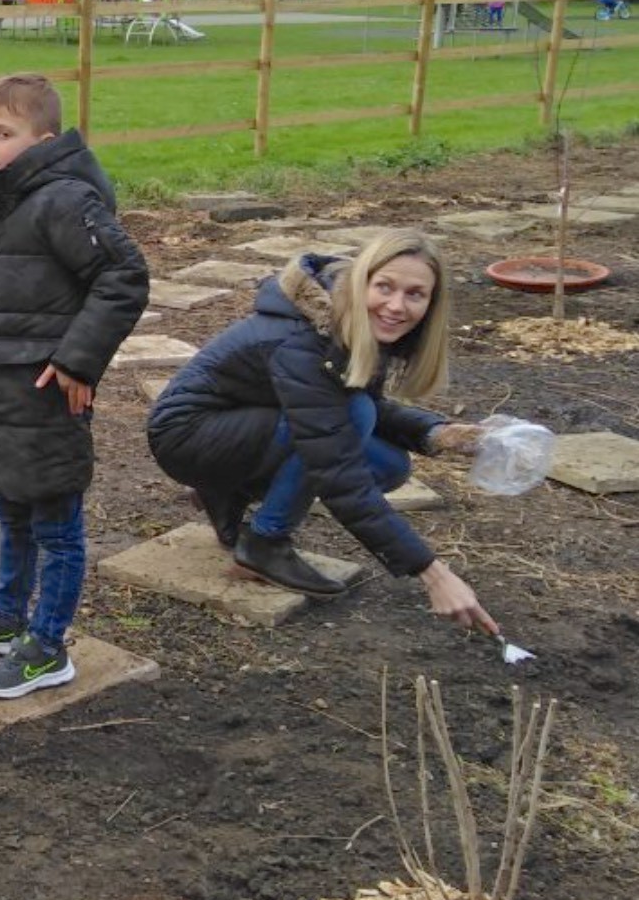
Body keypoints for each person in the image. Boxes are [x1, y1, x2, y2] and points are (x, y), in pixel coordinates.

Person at [145, 230, 497, 633]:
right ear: (362, 280)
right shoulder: (304, 342)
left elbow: (347, 407)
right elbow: (338, 472)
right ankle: (264, 543)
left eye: (415, 294)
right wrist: (433, 573)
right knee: (353, 417)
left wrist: (441, 433)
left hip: (241, 425)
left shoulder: (352, 322)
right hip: (188, 437)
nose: (397, 305)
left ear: (432, 303)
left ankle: (227, 490)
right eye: (385, 286)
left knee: (388, 465)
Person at [0, 74, 151, 699]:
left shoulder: (62, 201)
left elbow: (125, 277)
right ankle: (6, 618)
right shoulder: (10, 198)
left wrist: (80, 361)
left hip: (48, 391)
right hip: (3, 392)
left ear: (44, 140)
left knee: (55, 522)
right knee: (12, 509)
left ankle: (47, 647)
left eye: (4, 134)